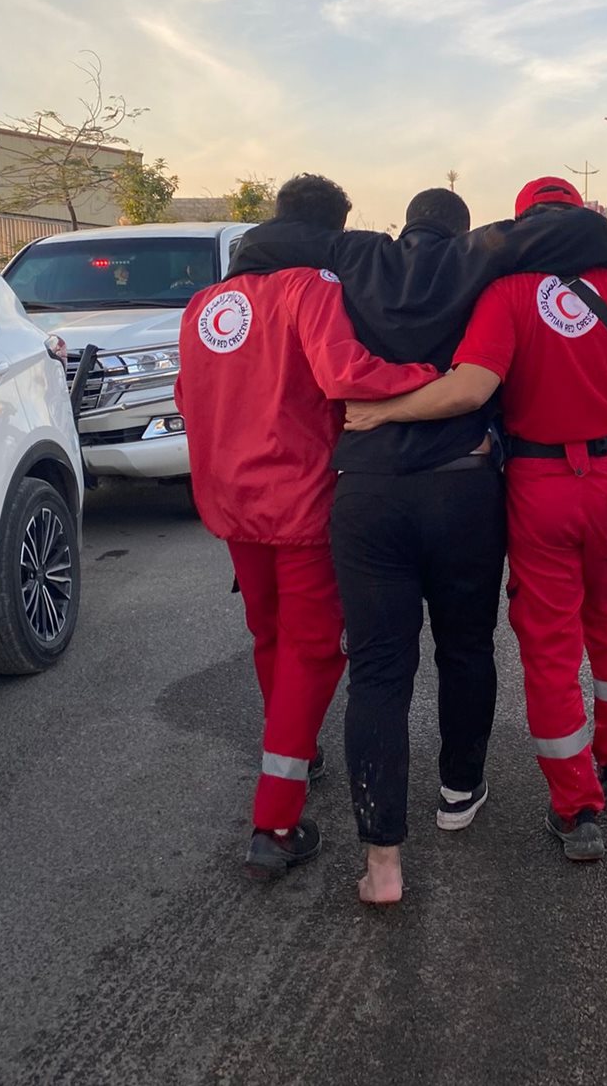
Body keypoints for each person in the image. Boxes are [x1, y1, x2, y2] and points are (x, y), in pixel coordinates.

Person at [229, 180, 607, 901]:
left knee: (378, 671)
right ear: (458, 228)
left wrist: (246, 255)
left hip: (368, 492)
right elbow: (554, 237)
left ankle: (382, 863)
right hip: (463, 488)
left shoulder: (352, 257)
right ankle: (459, 791)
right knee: (466, 648)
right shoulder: (478, 259)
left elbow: (283, 241)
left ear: (403, 226)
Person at [345, 176, 607, 866]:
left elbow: (471, 388)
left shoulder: (506, 292)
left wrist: (384, 412)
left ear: (524, 226)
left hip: (541, 486)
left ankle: (576, 808)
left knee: (550, 643)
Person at [174, 174, 439, 882]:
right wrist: (429, 374)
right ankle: (276, 821)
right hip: (299, 499)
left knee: (269, 635)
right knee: (314, 649)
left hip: (230, 501)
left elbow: (186, 397)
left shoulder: (205, 304)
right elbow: (345, 373)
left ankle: (296, 751)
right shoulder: (310, 288)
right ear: (333, 228)